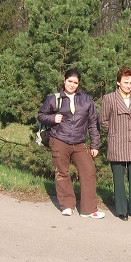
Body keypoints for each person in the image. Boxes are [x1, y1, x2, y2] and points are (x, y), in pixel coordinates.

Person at [38, 69, 105, 219]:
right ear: (64, 80)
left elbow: (93, 123)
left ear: (79, 83)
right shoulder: (54, 99)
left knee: (89, 171)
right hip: (59, 140)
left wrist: (95, 145)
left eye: (75, 82)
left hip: (79, 143)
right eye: (70, 81)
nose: (72, 85)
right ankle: (67, 205)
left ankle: (88, 209)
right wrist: (53, 118)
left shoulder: (86, 100)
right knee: (62, 172)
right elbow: (41, 115)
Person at [99, 67, 131, 221]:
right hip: (117, 143)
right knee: (119, 179)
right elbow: (103, 121)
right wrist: (116, 131)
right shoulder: (109, 98)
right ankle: (121, 209)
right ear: (118, 82)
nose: (129, 85)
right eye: (126, 82)